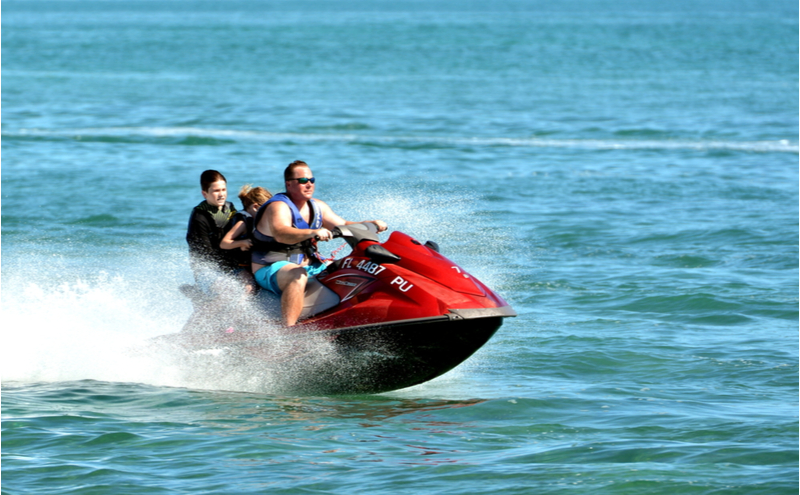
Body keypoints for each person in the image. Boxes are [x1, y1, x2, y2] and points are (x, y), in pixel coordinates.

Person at [251, 160, 388, 326]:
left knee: (353, 267)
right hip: (271, 268)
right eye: (302, 181)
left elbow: (343, 225)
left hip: (311, 265)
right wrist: (313, 232)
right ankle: (288, 331)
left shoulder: (318, 207)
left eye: (311, 180)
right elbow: (282, 234)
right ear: (289, 184)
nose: (308, 184)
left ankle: (371, 313)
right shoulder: (278, 207)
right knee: (297, 276)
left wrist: (369, 224)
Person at [186, 170, 238, 296]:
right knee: (225, 290)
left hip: (231, 265)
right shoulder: (199, 216)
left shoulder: (230, 208)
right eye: (216, 191)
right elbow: (204, 254)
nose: (221, 195)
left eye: (223, 190)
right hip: (207, 269)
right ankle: (202, 308)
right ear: (205, 194)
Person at [220, 185, 273, 293]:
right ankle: (241, 309)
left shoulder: (258, 222)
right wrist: (241, 243)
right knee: (249, 287)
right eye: (268, 210)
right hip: (236, 266)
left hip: (253, 264)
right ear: (255, 207)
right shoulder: (243, 223)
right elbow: (224, 243)